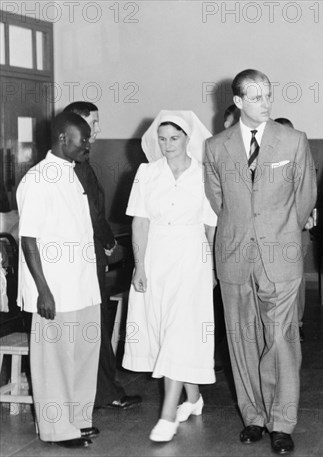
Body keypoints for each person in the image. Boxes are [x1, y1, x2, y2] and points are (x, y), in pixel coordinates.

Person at [204, 69, 317, 455]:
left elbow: (304, 198)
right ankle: (253, 416)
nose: (265, 102)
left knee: (282, 339)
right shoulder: (215, 147)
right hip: (235, 255)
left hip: (281, 255)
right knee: (241, 338)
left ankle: (282, 422)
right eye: (255, 97)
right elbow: (219, 201)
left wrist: (282, 233)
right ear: (237, 102)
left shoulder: (293, 140)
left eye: (268, 94)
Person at [122, 111, 217, 442]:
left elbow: (210, 227)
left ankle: (167, 416)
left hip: (193, 258)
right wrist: (139, 265)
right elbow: (139, 222)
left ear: (188, 138)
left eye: (174, 138)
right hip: (156, 256)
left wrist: (213, 267)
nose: (167, 145)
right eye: (162, 139)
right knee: (165, 331)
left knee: (181, 329)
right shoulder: (147, 173)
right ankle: (193, 398)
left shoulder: (205, 174)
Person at [17, 112, 101, 449]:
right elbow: (28, 239)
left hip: (81, 285)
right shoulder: (37, 179)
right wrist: (43, 291)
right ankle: (57, 429)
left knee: (82, 355)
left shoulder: (72, 174)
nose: (89, 145)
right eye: (83, 139)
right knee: (53, 361)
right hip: (55, 289)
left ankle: (79, 420)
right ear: (63, 139)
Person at [63, 101, 142, 412]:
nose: (98, 130)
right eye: (93, 123)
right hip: (85, 259)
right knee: (94, 325)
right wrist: (110, 245)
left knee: (97, 324)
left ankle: (101, 390)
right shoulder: (75, 165)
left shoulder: (81, 163)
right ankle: (102, 392)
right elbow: (92, 214)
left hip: (88, 258)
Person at [274, 116, 312, 342]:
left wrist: (303, 217)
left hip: (296, 231)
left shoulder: (301, 158)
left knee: (296, 280)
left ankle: (296, 324)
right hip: (272, 232)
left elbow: (308, 194)